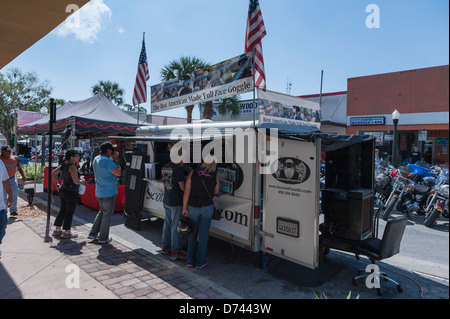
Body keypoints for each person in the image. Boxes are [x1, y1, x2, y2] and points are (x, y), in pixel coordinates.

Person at [182, 154, 219, 269]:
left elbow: (186, 192)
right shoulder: (215, 176)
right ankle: (200, 262)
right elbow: (216, 192)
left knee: (192, 233)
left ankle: (189, 261)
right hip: (207, 207)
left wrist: (184, 208)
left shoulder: (193, 173)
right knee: (203, 236)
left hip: (193, 207)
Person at [88, 142, 121, 244]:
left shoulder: (96, 158)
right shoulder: (108, 161)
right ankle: (103, 238)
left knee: (102, 212)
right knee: (107, 215)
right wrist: (116, 160)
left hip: (99, 191)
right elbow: (118, 173)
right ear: (108, 151)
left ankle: (93, 233)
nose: (113, 152)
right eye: (112, 150)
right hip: (108, 192)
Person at [51, 149, 85, 239]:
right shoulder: (72, 167)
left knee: (63, 210)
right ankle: (67, 232)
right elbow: (76, 181)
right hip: (71, 191)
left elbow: (53, 173)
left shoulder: (64, 165)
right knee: (69, 212)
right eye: (77, 156)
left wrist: (57, 184)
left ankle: (58, 229)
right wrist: (82, 181)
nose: (79, 157)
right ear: (72, 157)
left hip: (63, 189)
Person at [161, 143, 186, 261]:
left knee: (167, 224)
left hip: (167, 199)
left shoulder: (165, 167)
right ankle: (175, 251)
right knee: (175, 227)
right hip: (176, 201)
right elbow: (183, 188)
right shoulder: (179, 170)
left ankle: (165, 247)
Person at [1, 145, 26, 216]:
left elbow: (19, 167)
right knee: (3, 196)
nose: (9, 153)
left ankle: (13, 210)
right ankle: (4, 211)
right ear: (3, 152)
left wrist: (23, 176)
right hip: (3, 180)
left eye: (10, 151)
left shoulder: (15, 158)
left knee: (14, 194)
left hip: (12, 179)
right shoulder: (0, 159)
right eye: (7, 151)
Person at [0, 160, 13, 258]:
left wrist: (10, 195)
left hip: (1, 207)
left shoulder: (0, 163)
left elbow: (5, 180)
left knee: (2, 229)